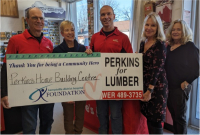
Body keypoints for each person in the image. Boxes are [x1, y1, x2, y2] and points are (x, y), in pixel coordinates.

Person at [1, 7, 54, 134]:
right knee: (29, 125)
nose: (39, 21)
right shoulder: (15, 40)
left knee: (47, 122)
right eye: (35, 18)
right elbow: (6, 67)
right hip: (26, 92)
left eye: (41, 18)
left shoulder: (49, 43)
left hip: (47, 90)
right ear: (27, 20)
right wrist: (4, 93)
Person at [85, 5, 133, 134]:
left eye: (108, 14)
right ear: (100, 18)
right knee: (101, 114)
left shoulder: (123, 38)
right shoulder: (95, 37)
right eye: (103, 15)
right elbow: (92, 59)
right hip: (99, 83)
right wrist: (88, 53)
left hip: (116, 84)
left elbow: (130, 64)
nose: (106, 17)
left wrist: (122, 88)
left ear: (114, 16)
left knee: (116, 115)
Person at [165, 19, 199, 134]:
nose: (175, 32)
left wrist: (187, 81)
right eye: (173, 29)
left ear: (184, 31)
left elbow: (197, 68)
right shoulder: (169, 46)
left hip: (180, 88)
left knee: (180, 119)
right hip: (168, 86)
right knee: (174, 116)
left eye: (178, 29)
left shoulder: (189, 46)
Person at [53, 20, 86, 134]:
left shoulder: (83, 49)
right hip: (65, 88)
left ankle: (78, 132)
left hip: (81, 88)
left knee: (80, 114)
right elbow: (55, 72)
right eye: (67, 30)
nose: (70, 32)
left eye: (72, 29)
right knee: (68, 115)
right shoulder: (56, 51)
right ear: (62, 33)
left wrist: (91, 55)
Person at [139, 12, 168, 134]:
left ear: (158, 28)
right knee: (148, 120)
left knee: (155, 123)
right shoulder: (142, 43)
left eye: (153, 25)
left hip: (156, 88)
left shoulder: (160, 44)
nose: (149, 28)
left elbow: (158, 69)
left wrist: (149, 91)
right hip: (144, 85)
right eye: (147, 24)